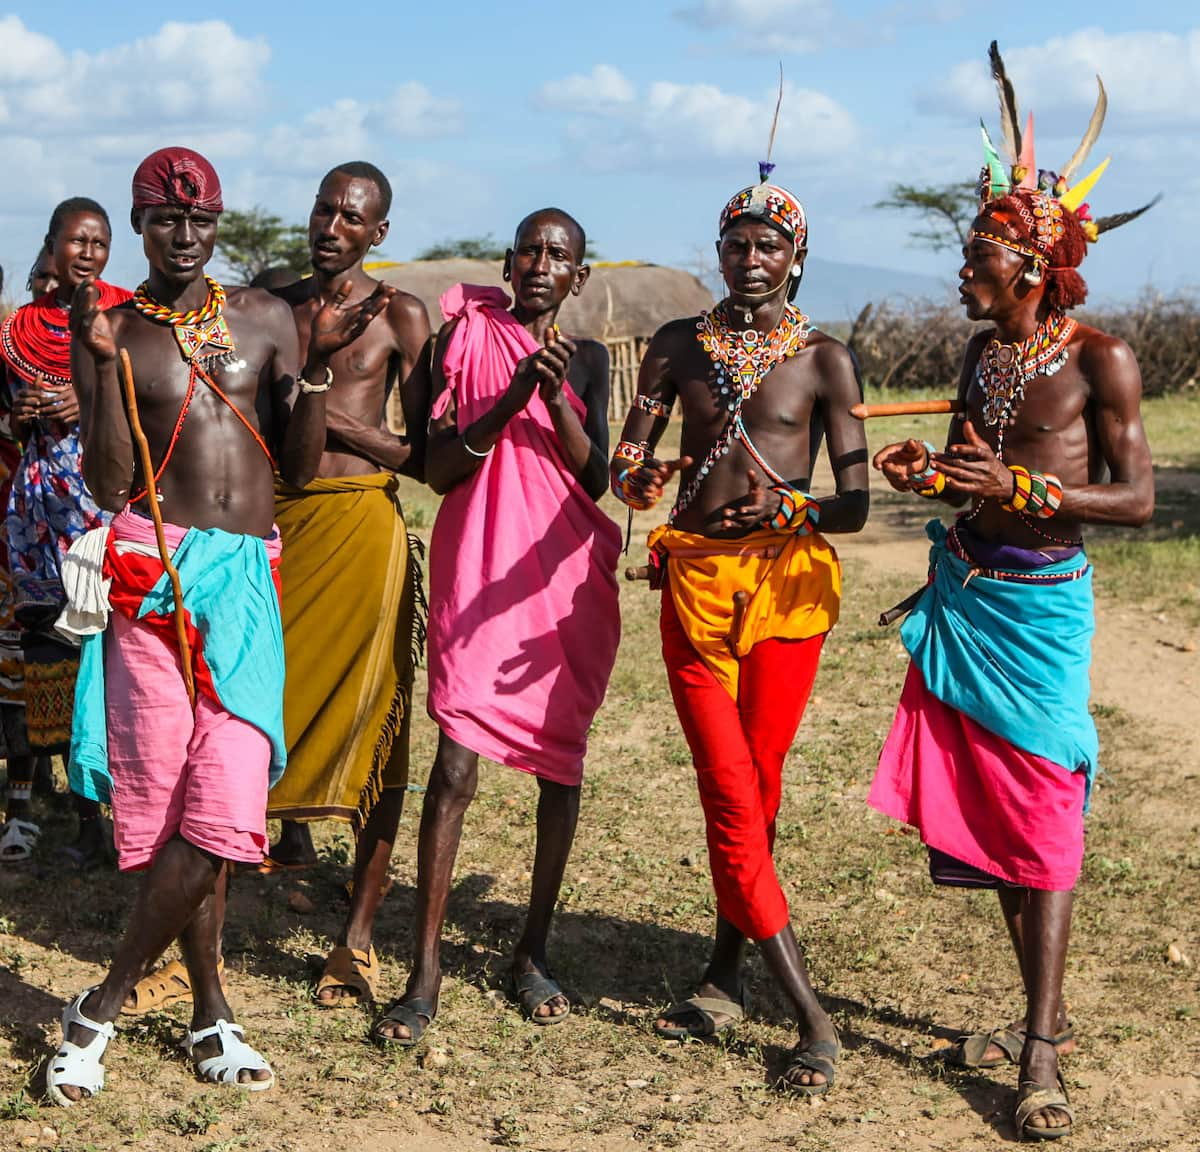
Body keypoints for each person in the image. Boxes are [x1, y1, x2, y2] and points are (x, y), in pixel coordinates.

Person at [43, 145, 388, 1106]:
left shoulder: (268, 319)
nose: (185, 236)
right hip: (155, 581)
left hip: (245, 582)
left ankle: (99, 1007)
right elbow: (113, 480)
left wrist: (315, 373)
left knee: (230, 802)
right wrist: (104, 370)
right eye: (165, 221)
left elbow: (303, 466)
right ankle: (209, 1007)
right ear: (143, 225)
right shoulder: (112, 328)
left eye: (200, 222)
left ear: (219, 223)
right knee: (169, 817)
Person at [868, 48, 1154, 1141]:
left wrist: (1032, 485)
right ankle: (1050, 1011)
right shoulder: (984, 355)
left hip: (1041, 608)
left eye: (978, 257)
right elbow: (959, 465)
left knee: (1043, 808)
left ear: (1032, 264)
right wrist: (925, 476)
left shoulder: (1103, 360)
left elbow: (1136, 499)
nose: (962, 272)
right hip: (970, 595)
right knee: (996, 814)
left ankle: (1038, 1051)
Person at [609, 171, 868, 1094]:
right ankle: (813, 1020)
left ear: (796, 259)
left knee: (757, 792)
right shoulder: (678, 344)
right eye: (735, 245)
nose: (749, 260)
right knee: (730, 793)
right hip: (695, 588)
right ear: (717, 252)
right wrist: (636, 480)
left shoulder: (828, 359)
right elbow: (630, 462)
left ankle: (722, 976)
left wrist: (792, 505)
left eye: (768, 247)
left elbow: (856, 504)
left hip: (789, 591)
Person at [371, 208, 620, 1046]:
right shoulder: (458, 343)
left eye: (560, 253)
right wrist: (514, 392)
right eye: (530, 250)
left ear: (580, 277)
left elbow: (602, 479)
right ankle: (425, 969)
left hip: (558, 572)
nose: (543, 262)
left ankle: (533, 950)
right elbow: (436, 470)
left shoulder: (587, 359)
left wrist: (556, 398)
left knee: (560, 768)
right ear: (509, 263)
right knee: (453, 768)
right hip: (477, 563)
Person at [262, 161, 430, 1008]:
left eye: (352, 217)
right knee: (244, 718)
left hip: (363, 531)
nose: (332, 226)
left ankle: (357, 938)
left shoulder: (401, 315)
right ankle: (205, 927)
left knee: (375, 731)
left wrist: (347, 423)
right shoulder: (267, 301)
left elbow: (432, 457)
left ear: (379, 232)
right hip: (272, 529)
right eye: (323, 208)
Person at [0, 199, 130, 866]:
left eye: (99, 241)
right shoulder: (18, 330)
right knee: (61, 668)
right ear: (51, 246)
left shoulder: (127, 316)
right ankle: (84, 820)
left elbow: (156, 404)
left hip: (105, 508)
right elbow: (4, 424)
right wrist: (19, 413)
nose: (87, 252)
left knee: (119, 663)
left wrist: (94, 396)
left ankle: (130, 815)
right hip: (38, 519)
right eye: (75, 240)